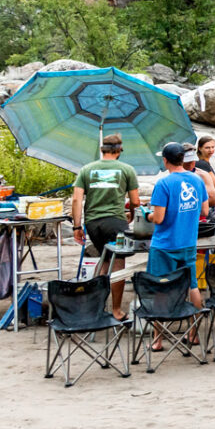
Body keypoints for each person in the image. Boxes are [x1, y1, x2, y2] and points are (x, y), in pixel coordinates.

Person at [145, 142, 210, 349]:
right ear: (183, 159)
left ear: (165, 160)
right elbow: (205, 212)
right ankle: (193, 333)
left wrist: (147, 215)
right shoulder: (197, 180)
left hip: (164, 245)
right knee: (192, 285)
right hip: (188, 242)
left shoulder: (163, 184)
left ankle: (157, 339)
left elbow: (159, 218)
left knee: (160, 289)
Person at [70, 133, 140, 318]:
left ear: (102, 149)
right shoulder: (127, 169)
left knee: (104, 261)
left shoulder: (86, 169)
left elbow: (77, 199)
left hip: (92, 223)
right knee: (118, 265)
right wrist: (132, 215)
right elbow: (135, 201)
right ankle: (116, 310)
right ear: (119, 150)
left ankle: (97, 307)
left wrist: (77, 227)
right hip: (115, 222)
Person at [194, 136, 215, 206]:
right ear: (200, 148)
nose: (211, 150)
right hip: (205, 202)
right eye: (207, 148)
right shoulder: (202, 164)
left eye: (213, 147)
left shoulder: (198, 162)